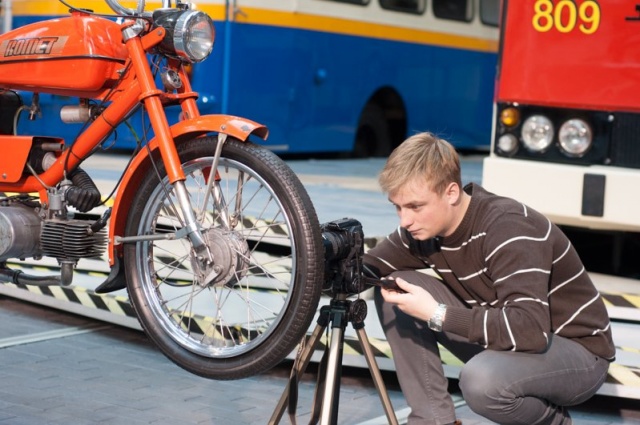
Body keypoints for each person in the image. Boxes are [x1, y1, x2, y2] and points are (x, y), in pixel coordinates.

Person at [363, 132, 615, 425]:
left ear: (451, 193)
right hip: (509, 336)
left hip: (576, 354)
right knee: (398, 287)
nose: (404, 220)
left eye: (416, 206)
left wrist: (436, 314)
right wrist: (323, 261)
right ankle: (432, 422)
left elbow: (529, 330)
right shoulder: (419, 231)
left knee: (482, 381)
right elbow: (369, 267)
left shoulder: (509, 227)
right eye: (398, 207)